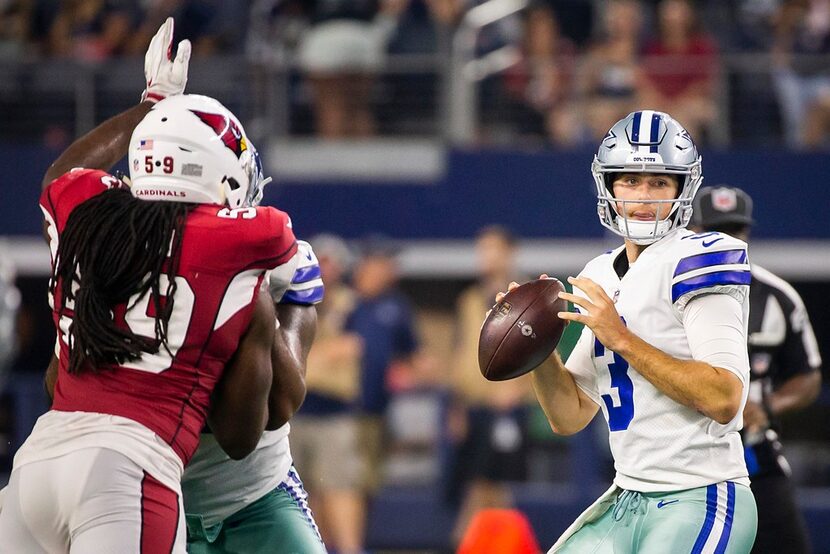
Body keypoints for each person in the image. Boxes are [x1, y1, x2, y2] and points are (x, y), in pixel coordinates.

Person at [0, 19, 306, 553]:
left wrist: (152, 107)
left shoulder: (89, 223)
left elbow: (61, 177)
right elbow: (269, 233)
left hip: (37, 465)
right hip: (129, 470)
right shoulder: (243, 240)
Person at [503, 110, 758, 552]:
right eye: (631, 181)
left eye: (659, 182)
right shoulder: (599, 273)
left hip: (700, 494)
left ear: (683, 188)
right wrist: (538, 347)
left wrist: (619, 336)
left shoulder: (700, 259)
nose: (644, 196)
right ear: (609, 187)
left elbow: (723, 398)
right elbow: (569, 416)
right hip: (626, 497)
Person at [691, 185, 822, 554]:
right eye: (713, 231)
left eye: (734, 230)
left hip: (754, 457)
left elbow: (808, 375)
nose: (726, 241)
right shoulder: (667, 293)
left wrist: (769, 406)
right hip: (685, 459)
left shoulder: (778, 296)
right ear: (692, 233)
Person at [183, 238, 326, 554]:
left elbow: (279, 407)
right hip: (153, 489)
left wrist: (250, 290)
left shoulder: (283, 259)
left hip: (257, 491)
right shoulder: (129, 253)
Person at [449, 225, 533, 545]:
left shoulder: (527, 298)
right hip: (474, 407)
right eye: (482, 249)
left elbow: (544, 353)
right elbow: (460, 355)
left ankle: (481, 544)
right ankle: (484, 544)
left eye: (494, 249)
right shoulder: (469, 299)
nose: (487, 256)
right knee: (474, 483)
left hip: (507, 409)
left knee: (495, 485)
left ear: (510, 253)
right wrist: (456, 405)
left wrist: (519, 390)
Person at [289, 234, 368, 554]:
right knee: (300, 497)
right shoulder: (294, 301)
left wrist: (308, 360)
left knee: (341, 489)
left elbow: (352, 348)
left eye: (331, 262)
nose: (325, 269)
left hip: (336, 415)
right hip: (295, 413)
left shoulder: (352, 306)